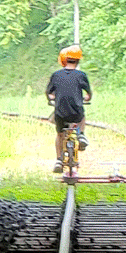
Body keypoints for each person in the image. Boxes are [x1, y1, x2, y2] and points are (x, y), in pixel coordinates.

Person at [46, 45, 91, 173]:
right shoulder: (81, 75)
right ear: (78, 61)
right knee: (82, 116)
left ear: (64, 60)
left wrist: (52, 99)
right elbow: (88, 94)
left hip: (60, 112)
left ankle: (59, 160)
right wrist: (87, 98)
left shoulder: (56, 75)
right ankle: (81, 135)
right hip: (76, 112)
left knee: (60, 135)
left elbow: (49, 93)